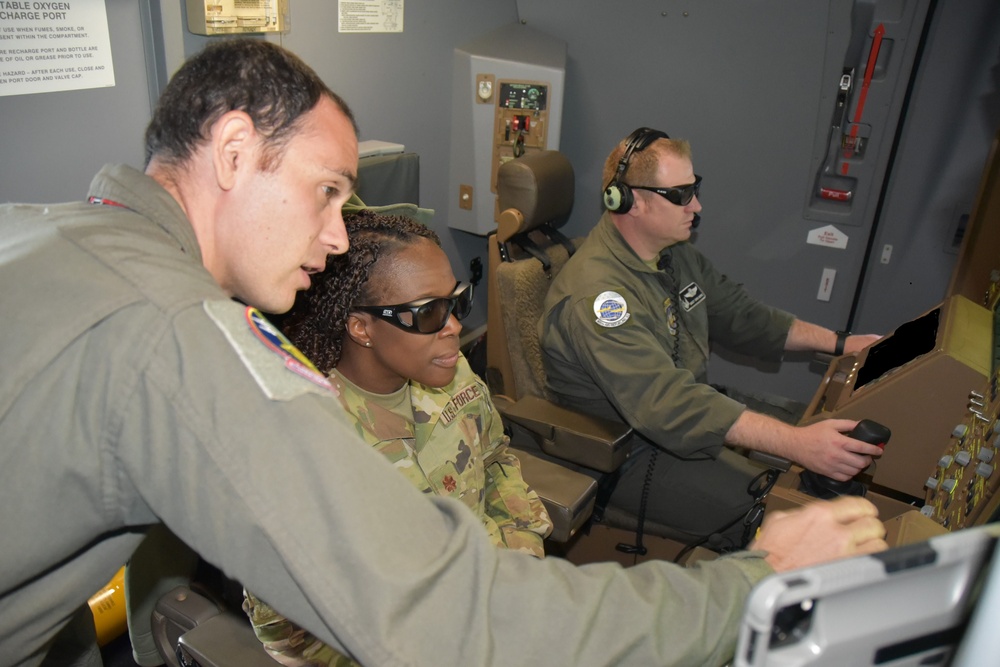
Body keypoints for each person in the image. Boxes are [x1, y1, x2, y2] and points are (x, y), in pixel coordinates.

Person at [0, 40, 887, 667]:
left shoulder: (38, 232)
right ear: (234, 152)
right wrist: (757, 582)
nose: (336, 237)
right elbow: (438, 620)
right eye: (327, 191)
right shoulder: (176, 335)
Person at [538, 127, 886, 548]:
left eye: (694, 188)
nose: (696, 206)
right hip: (623, 455)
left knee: (801, 444)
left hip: (674, 424)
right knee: (783, 509)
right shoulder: (599, 298)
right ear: (629, 200)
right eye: (682, 194)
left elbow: (742, 316)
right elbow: (666, 403)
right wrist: (795, 444)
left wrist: (838, 342)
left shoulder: (671, 254)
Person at [243, 209, 553, 666]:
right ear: (361, 328)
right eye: (427, 313)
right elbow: (289, 629)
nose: (453, 327)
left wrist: (519, 561)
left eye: (456, 302)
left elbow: (496, 461)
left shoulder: (450, 369)